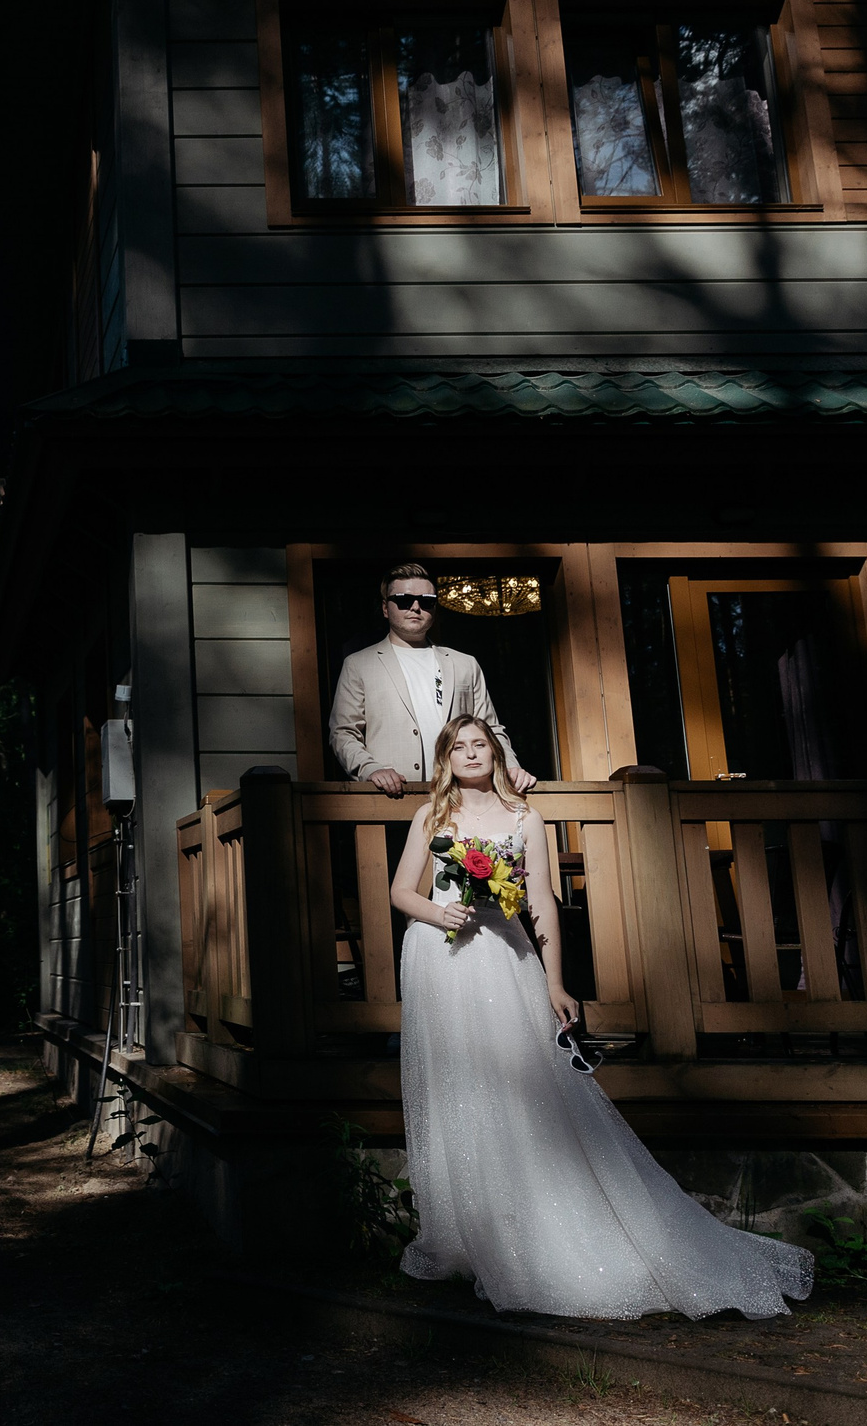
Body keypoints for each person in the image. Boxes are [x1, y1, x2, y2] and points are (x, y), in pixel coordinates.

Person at [388, 713, 814, 1320]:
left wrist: (555, 982)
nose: (473, 754)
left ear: (498, 755)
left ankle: (535, 1229)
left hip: (505, 960)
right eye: (460, 747)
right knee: (462, 1090)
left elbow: (541, 905)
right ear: (446, 759)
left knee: (525, 1089)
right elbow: (402, 892)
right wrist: (439, 915)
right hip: (444, 960)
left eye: (482, 744)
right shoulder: (431, 816)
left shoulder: (524, 818)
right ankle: (468, 1232)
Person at [330, 563, 535, 797]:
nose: (416, 607)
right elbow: (343, 732)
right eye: (404, 600)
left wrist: (510, 765)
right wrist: (369, 768)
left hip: (462, 796)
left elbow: (489, 729)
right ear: (386, 608)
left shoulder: (465, 663)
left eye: (426, 601)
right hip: (393, 798)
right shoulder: (359, 664)